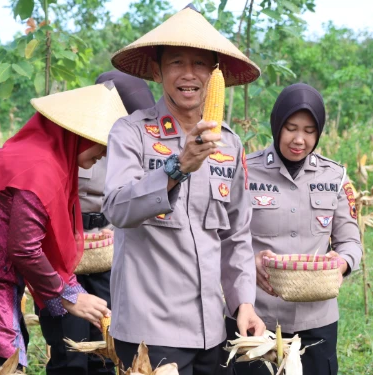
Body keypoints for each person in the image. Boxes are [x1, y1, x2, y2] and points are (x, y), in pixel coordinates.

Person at [102, 4, 265, 374]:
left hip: (212, 327)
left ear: (213, 73)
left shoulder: (230, 145)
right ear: (157, 70)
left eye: (200, 64)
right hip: (150, 329)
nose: (189, 75)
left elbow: (236, 234)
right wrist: (177, 168)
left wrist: (244, 303)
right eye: (176, 62)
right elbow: (117, 208)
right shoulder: (131, 134)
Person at [0, 82, 127, 373]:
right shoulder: (39, 168)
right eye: (101, 143)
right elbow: (24, 248)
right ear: (77, 135)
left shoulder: (36, 156)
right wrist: (69, 296)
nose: (104, 154)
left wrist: (70, 291)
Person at [225, 83, 363, 375]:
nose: (299, 139)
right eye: (291, 128)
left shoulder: (334, 176)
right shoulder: (245, 171)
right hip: (254, 317)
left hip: (315, 322)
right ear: (277, 125)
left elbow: (351, 241)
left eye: (309, 131)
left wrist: (343, 263)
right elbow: (222, 239)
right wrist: (249, 263)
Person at [36, 70, 156, 375]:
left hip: (107, 253)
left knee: (105, 345)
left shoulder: (139, 146)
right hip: (65, 256)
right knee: (68, 347)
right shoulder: (75, 137)